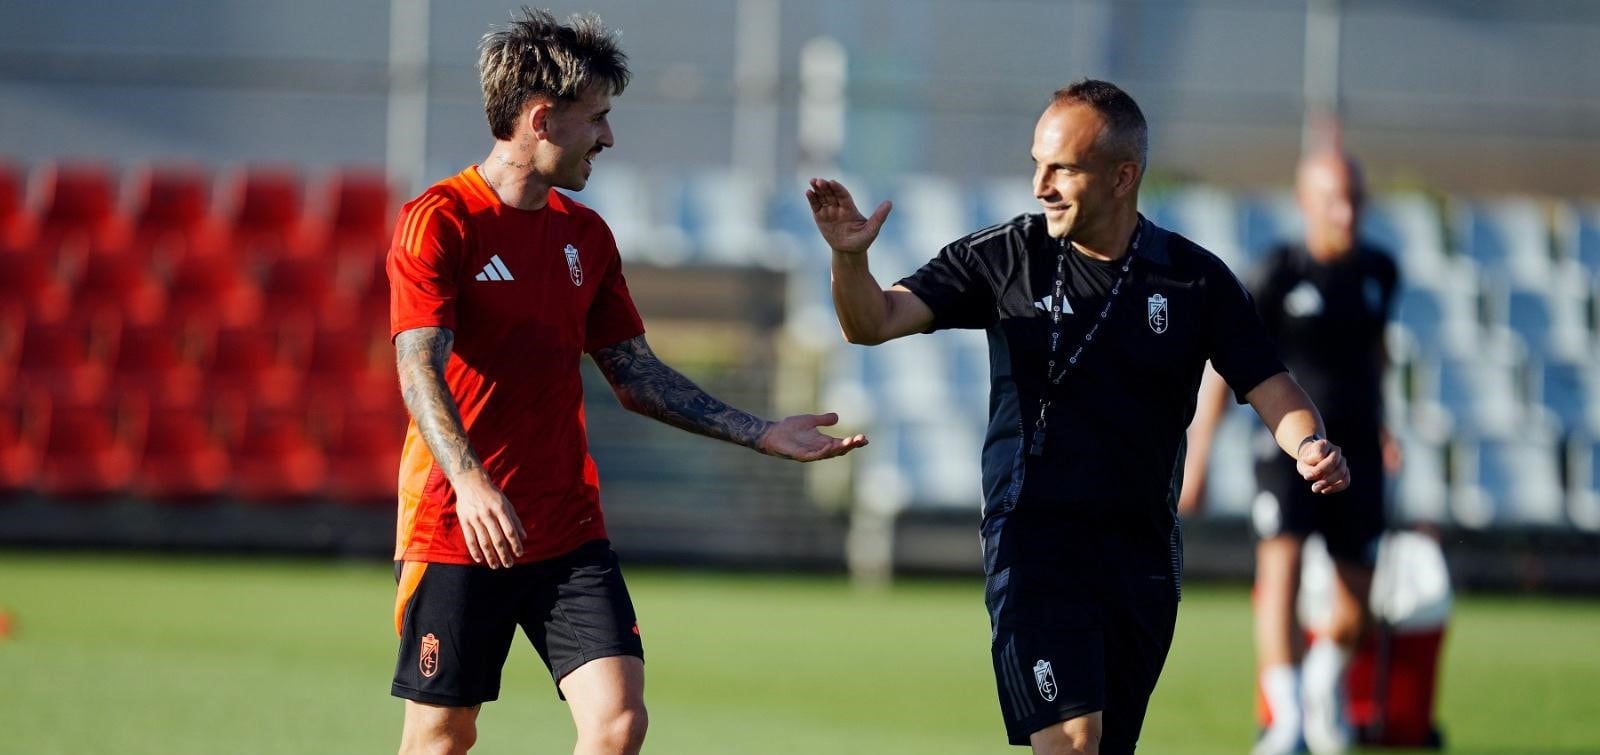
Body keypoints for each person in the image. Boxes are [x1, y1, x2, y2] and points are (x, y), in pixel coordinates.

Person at [807, 79, 1350, 755]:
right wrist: (848, 257)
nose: (1041, 184)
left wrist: (1308, 445)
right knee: (1070, 739)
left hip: (1141, 555)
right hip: (1032, 544)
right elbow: (874, 321)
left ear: (1123, 177)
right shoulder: (1005, 256)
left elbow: (1272, 386)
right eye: (1037, 162)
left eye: (1061, 168)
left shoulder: (1194, 280)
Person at [386, 9, 867, 755]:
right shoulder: (440, 221)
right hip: (457, 526)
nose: (609, 138)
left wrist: (761, 432)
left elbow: (635, 375)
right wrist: (471, 481)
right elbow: (418, 365)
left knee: (616, 721)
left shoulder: (586, 236)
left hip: (568, 529)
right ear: (543, 119)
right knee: (443, 737)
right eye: (598, 119)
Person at [1180, 149, 1399, 755]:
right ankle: (1287, 722)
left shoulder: (1381, 270)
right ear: (1306, 202)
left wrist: (1387, 431)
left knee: (1358, 601)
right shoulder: (1277, 271)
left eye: (1354, 196)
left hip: (1358, 454)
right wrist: (1198, 461)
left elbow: (1376, 360)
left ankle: (1322, 693)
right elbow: (1228, 369)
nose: (1346, 210)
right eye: (1333, 197)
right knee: (1281, 575)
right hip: (1289, 449)